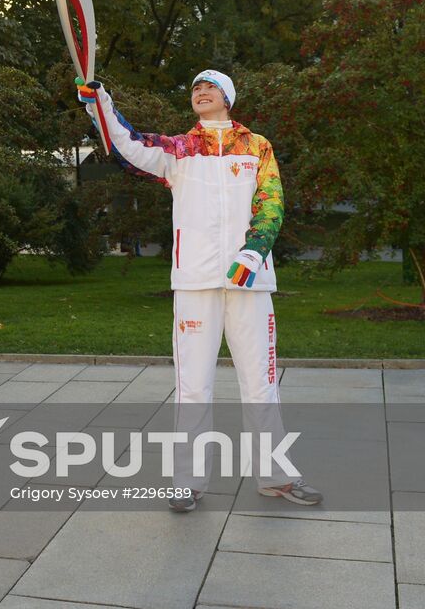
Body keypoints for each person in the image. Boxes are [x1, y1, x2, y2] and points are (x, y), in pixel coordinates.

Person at [76, 69, 321, 511]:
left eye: (210, 87)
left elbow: (272, 202)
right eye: (195, 88)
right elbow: (127, 146)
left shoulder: (256, 147)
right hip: (194, 281)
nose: (201, 93)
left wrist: (253, 252)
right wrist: (101, 105)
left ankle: (277, 477)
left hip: (249, 281)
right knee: (192, 386)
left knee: (262, 385)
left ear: (227, 97)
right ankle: (187, 482)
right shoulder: (180, 149)